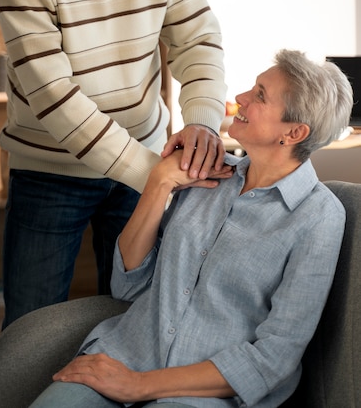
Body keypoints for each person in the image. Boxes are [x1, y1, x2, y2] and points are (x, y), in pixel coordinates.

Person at [0, 0, 229, 329]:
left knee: (134, 320)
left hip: (144, 155)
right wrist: (155, 175)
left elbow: (197, 38)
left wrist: (203, 124)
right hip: (50, 172)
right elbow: (56, 98)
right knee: (29, 330)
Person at [28, 49, 353, 408]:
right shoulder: (203, 173)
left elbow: (274, 358)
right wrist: (159, 183)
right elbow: (128, 284)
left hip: (201, 396)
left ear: (293, 132)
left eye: (260, 95)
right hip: (123, 357)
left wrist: (139, 385)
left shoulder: (319, 217)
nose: (241, 98)